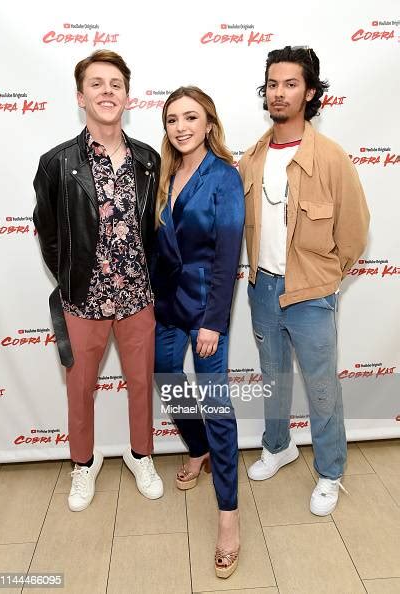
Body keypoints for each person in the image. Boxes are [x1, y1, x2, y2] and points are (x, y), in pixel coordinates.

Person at [239, 46, 369, 515]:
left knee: (320, 386)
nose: (279, 92)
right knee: (273, 377)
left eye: (290, 84)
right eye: (273, 83)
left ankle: (331, 472)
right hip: (263, 287)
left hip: (312, 292)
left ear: (310, 93)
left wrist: (327, 280)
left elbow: (354, 231)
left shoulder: (331, 158)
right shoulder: (252, 157)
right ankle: (278, 445)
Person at [33, 50, 163, 512]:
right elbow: (47, 231)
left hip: (137, 299)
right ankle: (83, 465)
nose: (107, 91)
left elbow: (155, 229)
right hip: (82, 302)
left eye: (116, 84)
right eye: (97, 84)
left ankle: (141, 454)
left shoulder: (149, 160)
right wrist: (71, 280)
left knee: (140, 384)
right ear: (80, 96)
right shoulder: (56, 164)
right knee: (80, 389)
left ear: (127, 96)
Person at [152, 86, 244, 577]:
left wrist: (213, 321)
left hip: (207, 308)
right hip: (166, 305)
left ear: (209, 122)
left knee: (216, 406)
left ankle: (228, 518)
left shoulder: (224, 176)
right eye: (172, 119)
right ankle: (199, 448)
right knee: (166, 376)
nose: (181, 127)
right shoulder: (164, 174)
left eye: (191, 117)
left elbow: (229, 253)